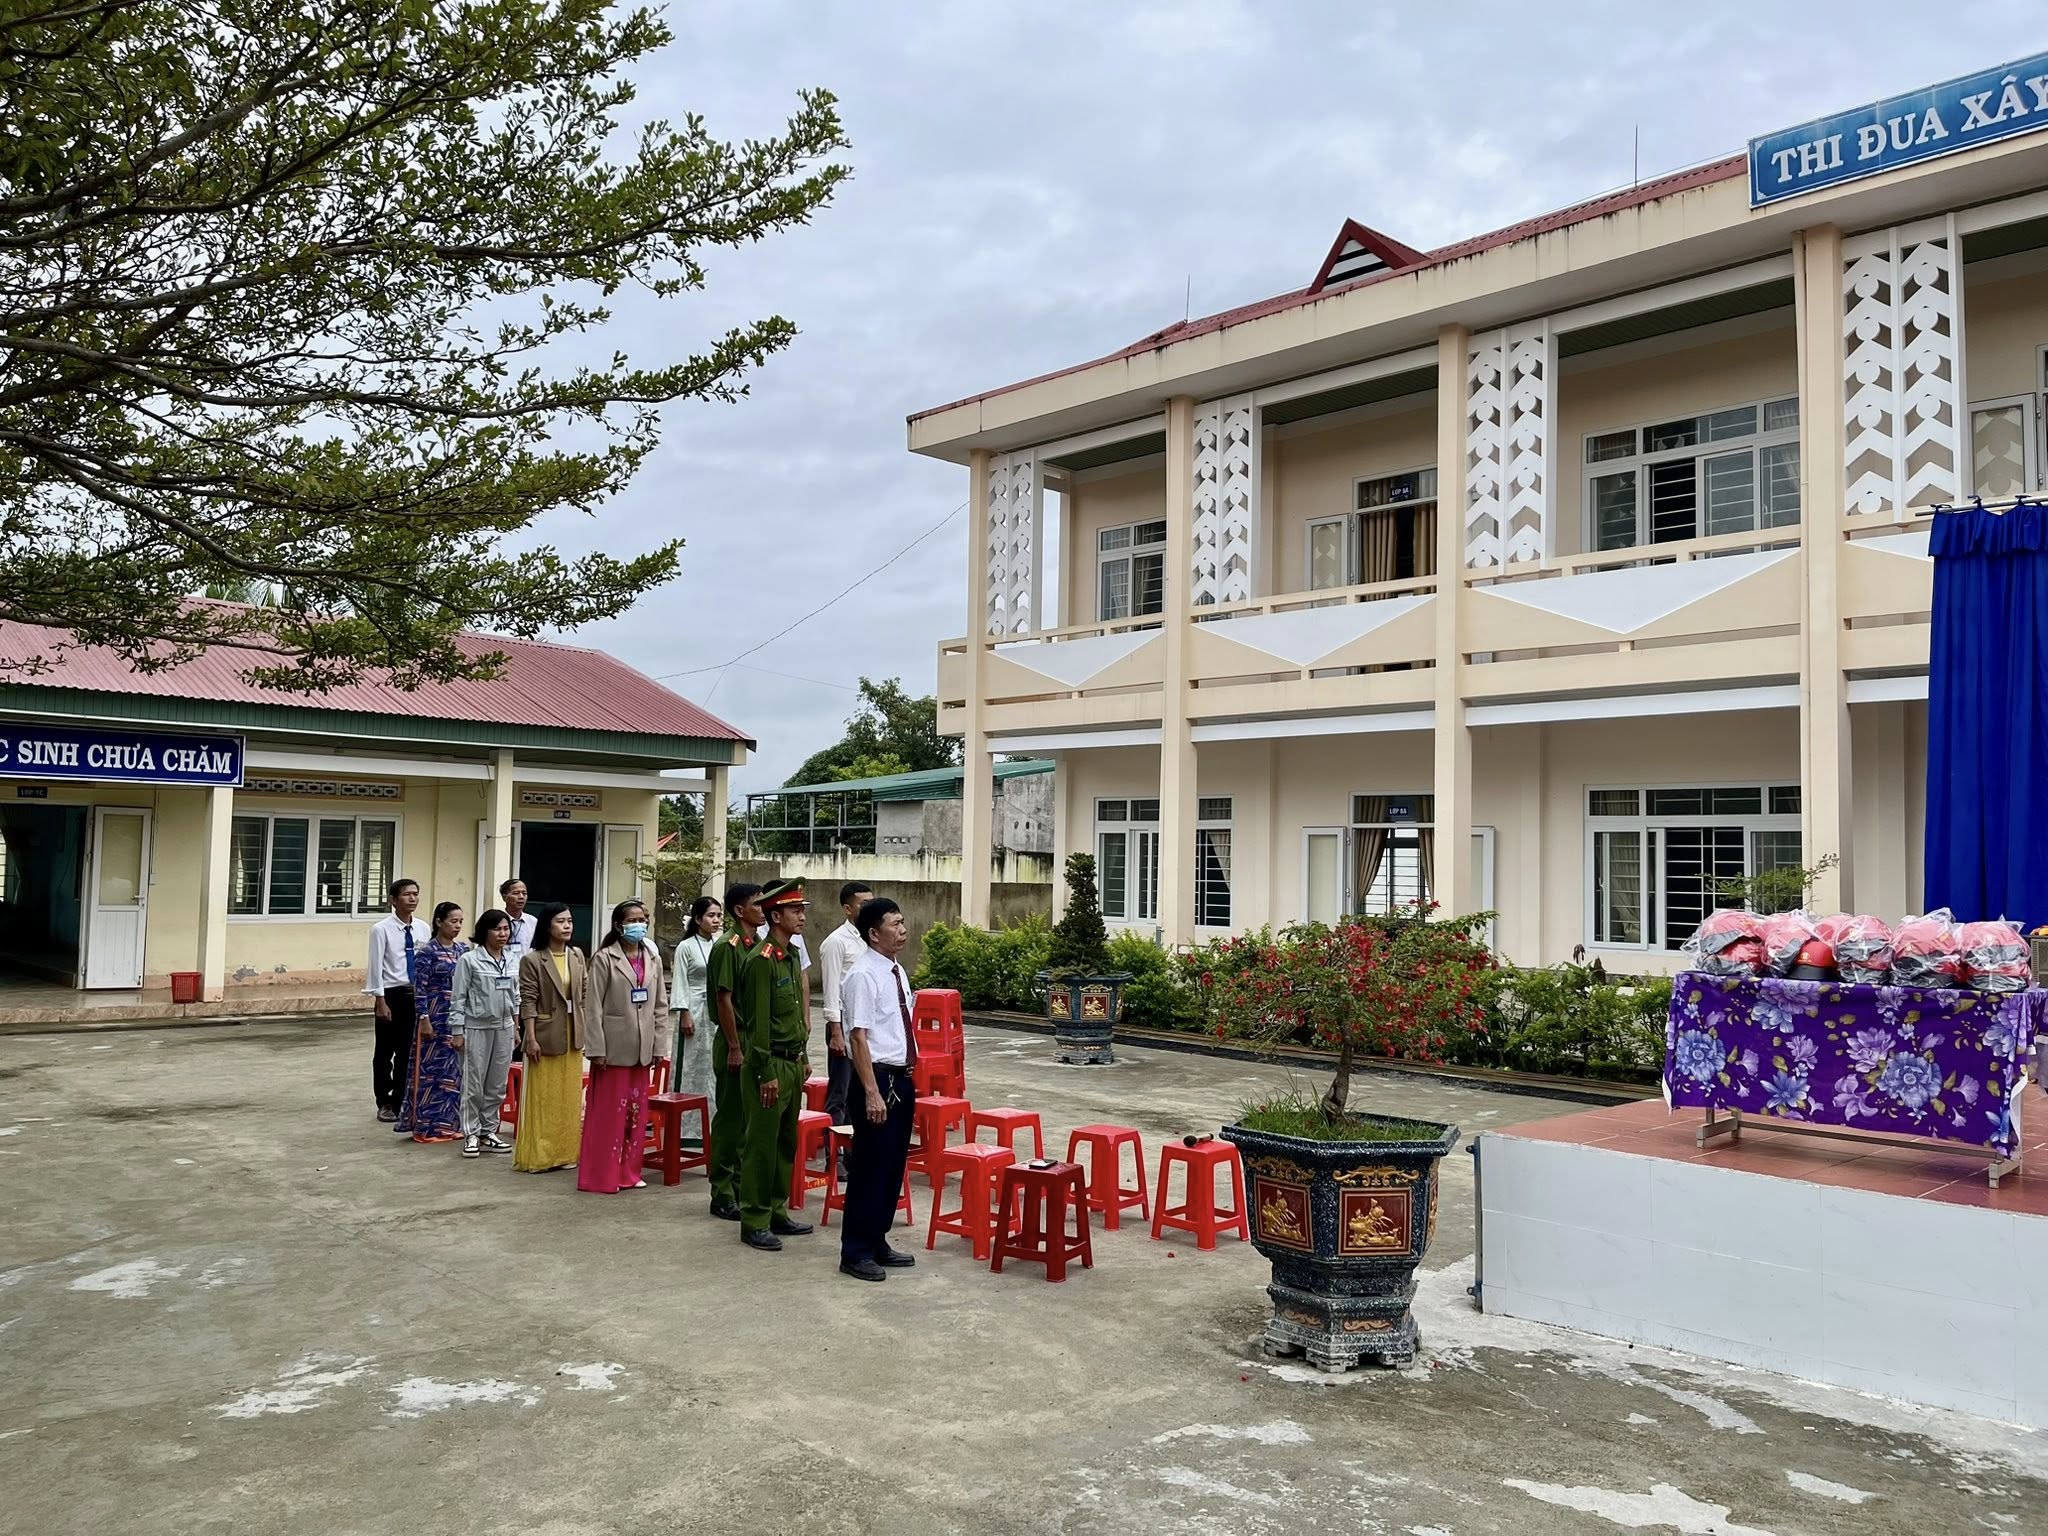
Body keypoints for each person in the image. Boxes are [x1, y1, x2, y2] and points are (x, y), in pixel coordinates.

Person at [837, 897, 921, 1282]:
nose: (902, 930)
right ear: (873, 933)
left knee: (892, 1165)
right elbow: (858, 1038)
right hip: (877, 1079)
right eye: (894, 924)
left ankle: (877, 1239)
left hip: (901, 1077)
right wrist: (871, 1092)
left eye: (903, 922)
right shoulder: (862, 975)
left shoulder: (896, 970)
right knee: (870, 1167)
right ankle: (855, 1251)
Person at [736, 879, 814, 1252]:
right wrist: (765, 1072)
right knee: (761, 1146)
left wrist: (804, 1057)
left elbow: (796, 1015)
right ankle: (754, 1219)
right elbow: (758, 1025)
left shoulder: (792, 955)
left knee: (785, 1143)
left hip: (792, 1062)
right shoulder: (760, 961)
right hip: (768, 1066)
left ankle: (776, 1210)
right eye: (795, 910)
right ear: (776, 916)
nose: (802, 916)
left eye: (802, 910)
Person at [579, 898, 668, 1193]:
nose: (639, 924)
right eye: (632, 920)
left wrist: (659, 1045)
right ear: (619, 925)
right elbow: (593, 1006)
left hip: (643, 1048)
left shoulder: (652, 958)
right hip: (613, 1048)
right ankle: (602, 1174)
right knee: (609, 1115)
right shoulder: (605, 958)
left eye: (642, 919)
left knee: (635, 1114)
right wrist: (596, 1048)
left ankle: (629, 1171)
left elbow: (660, 1005)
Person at [704, 882, 764, 1220]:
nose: (764, 910)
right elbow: (723, 1000)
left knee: (748, 1121)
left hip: (753, 1039)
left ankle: (741, 1186)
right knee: (730, 1119)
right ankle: (722, 1191)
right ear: (740, 910)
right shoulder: (728, 947)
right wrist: (734, 1047)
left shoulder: (757, 945)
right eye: (758, 904)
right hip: (735, 1038)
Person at [515, 902, 586, 1173]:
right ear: (547, 926)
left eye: (570, 921)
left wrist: (588, 1029)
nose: (567, 926)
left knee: (568, 1097)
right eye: (560, 921)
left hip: (573, 1033)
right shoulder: (533, 960)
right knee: (544, 1097)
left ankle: (566, 1152)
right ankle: (541, 1156)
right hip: (545, 1034)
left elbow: (584, 994)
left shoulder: (577, 955)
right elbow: (528, 1001)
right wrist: (530, 1038)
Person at [450, 909, 519, 1157]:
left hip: (504, 1028)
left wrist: (516, 1026)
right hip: (476, 1028)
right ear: (484, 932)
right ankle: (471, 1133)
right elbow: (458, 998)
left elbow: (516, 996)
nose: (503, 934)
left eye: (506, 929)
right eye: (497, 929)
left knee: (497, 1084)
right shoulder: (469, 960)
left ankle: (488, 1131)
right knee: (473, 1084)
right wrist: (457, 1031)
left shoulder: (513, 959)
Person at [365, 878, 432, 1129]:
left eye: (415, 894)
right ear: (393, 900)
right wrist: (380, 1001)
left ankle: (401, 1100)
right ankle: (384, 1101)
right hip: (392, 995)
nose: (412, 899)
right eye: (406, 894)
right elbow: (375, 966)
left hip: (415, 995)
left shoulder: (423, 928)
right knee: (385, 1052)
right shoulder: (381, 929)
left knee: (408, 1051)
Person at [407, 901, 468, 1143]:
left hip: (456, 1016)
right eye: (453, 921)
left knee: (453, 1072)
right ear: (439, 922)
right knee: (431, 1072)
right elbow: (419, 988)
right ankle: (426, 1127)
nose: (457, 926)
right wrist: (423, 1018)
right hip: (434, 1016)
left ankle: (450, 1124)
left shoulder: (463, 950)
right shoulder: (427, 952)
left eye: (460, 921)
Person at [817, 881, 872, 1129]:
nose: (869, 908)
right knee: (840, 1089)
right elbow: (831, 990)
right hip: (843, 1022)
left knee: (860, 1089)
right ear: (848, 909)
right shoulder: (836, 942)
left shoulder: (871, 938)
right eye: (864, 904)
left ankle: (854, 1144)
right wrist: (836, 1032)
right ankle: (834, 1146)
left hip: (863, 1022)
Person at [668, 896, 723, 1146]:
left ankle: (709, 1127)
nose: (716, 920)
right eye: (711, 915)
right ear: (698, 919)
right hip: (693, 1008)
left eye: (718, 915)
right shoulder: (686, 946)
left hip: (714, 1012)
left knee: (711, 1068)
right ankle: (685, 1130)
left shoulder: (720, 945)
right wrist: (684, 1012)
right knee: (690, 1066)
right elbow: (680, 979)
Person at [501, 878, 537, 958]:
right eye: (516, 893)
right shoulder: (497, 920)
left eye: (524, 893)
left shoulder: (533, 922)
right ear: (504, 897)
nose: (521, 897)